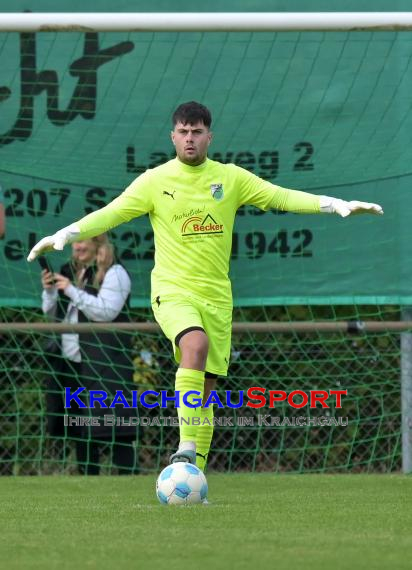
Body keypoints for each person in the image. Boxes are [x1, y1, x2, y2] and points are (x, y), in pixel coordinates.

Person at [29, 101, 383, 473]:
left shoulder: (230, 178)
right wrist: (65, 234)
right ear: (173, 136)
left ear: (209, 136)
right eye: (183, 132)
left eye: (197, 132)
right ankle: (184, 446)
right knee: (193, 345)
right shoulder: (155, 181)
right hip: (173, 290)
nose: (189, 138)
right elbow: (111, 212)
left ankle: (192, 474)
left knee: (207, 392)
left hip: (216, 297)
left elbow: (281, 196)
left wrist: (334, 205)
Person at [42, 235, 136, 474]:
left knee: (115, 427)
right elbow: (53, 313)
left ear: (98, 244)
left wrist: (72, 290)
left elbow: (106, 312)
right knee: (81, 430)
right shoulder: (70, 271)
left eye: (83, 242)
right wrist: (51, 292)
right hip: (73, 363)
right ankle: (88, 483)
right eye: (75, 243)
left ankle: (130, 481)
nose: (78, 247)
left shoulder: (116, 272)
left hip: (106, 363)